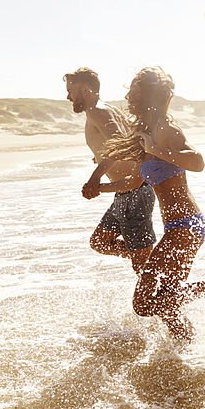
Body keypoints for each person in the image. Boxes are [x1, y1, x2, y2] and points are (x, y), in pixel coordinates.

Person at [85, 66, 205, 342]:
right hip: (176, 228)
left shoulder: (166, 130)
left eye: (134, 92)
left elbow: (198, 162)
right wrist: (101, 186)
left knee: (143, 303)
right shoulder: (144, 130)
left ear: (148, 96)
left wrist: (155, 150)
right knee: (169, 302)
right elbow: (133, 181)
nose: (129, 97)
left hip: (187, 226)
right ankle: (183, 350)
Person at [68, 67, 155, 273]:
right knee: (100, 241)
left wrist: (94, 179)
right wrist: (99, 157)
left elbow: (117, 143)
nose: (68, 96)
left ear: (86, 90)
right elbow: (127, 142)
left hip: (135, 192)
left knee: (144, 272)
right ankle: (147, 257)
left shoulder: (97, 111)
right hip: (125, 192)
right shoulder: (106, 108)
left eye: (71, 90)